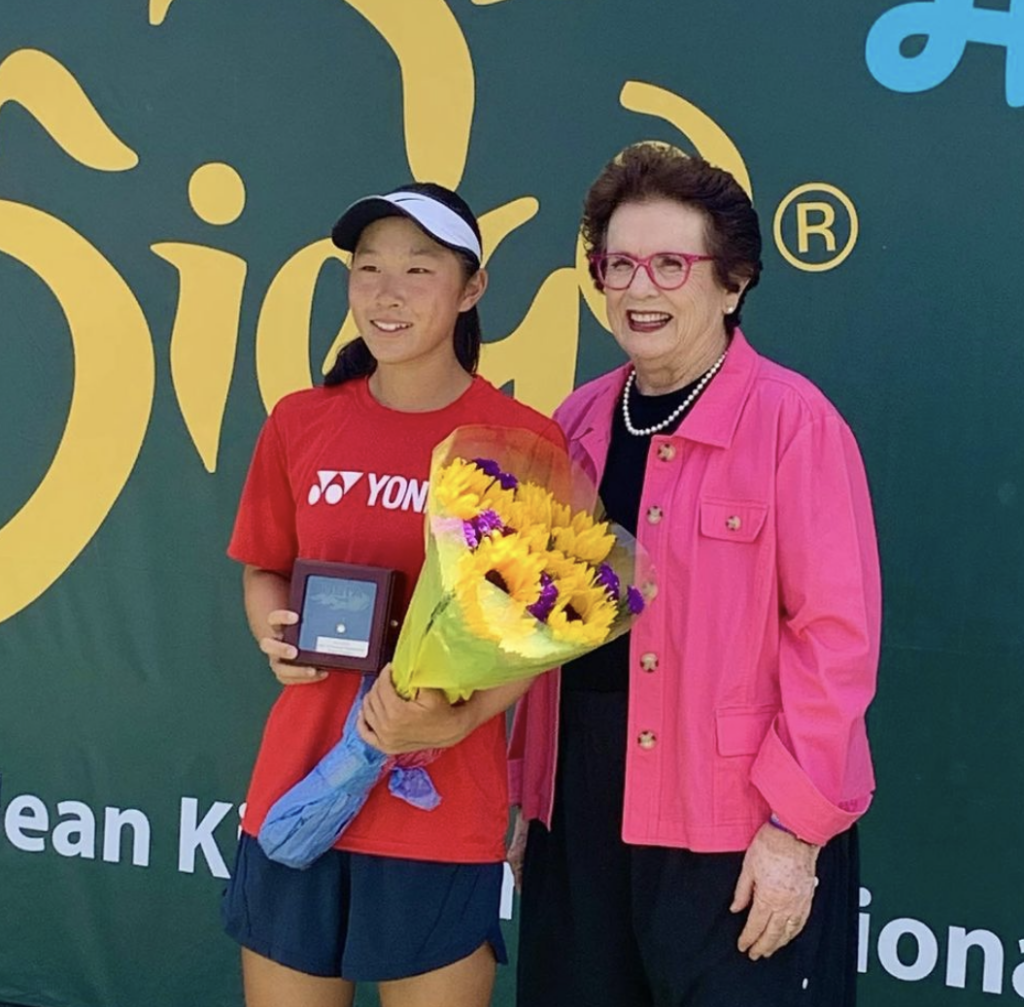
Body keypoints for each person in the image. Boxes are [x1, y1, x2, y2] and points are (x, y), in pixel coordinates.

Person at [508, 144, 881, 1007]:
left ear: (733, 280)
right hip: (582, 811)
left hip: (736, 824)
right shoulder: (576, 423)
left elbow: (838, 643)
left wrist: (793, 833)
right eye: (619, 264)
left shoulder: (796, 425)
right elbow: (540, 633)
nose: (640, 289)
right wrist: (530, 795)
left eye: (672, 264)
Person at [223, 182, 562, 1007]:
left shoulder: (520, 441)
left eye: (418, 269)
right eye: (367, 268)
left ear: (471, 289)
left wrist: (454, 718)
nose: (386, 292)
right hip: (298, 792)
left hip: (440, 808)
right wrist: (274, 630)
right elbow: (264, 565)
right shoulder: (302, 420)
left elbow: (535, 636)